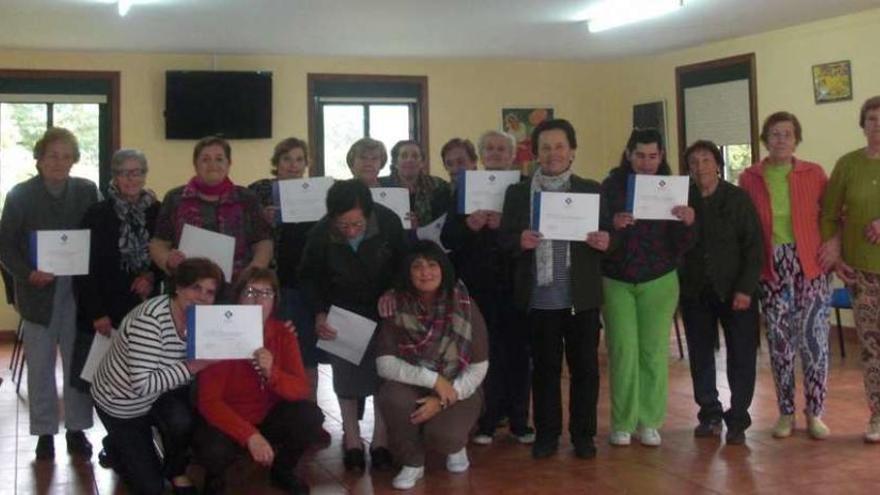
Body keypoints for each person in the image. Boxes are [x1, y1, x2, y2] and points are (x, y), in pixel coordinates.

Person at [500, 118, 611, 459]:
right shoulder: (518, 193)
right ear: (535, 153)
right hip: (539, 297)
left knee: (586, 371)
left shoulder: (590, 189)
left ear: (572, 151)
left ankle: (583, 436)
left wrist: (607, 240)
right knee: (545, 371)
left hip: (582, 297)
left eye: (560, 146)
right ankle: (547, 435)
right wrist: (519, 240)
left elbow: (611, 235)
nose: (553, 154)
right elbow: (504, 240)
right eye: (545, 148)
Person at [0, 127, 99, 460]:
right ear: (39, 159)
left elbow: (98, 233)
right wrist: (28, 273)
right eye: (53, 155)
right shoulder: (20, 195)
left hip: (77, 291)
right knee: (40, 366)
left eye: (67, 156)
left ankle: (76, 429)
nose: (60, 162)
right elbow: (5, 245)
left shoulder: (87, 191)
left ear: (74, 160)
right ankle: (44, 432)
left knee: (77, 363)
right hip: (37, 291)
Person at [298, 179, 408, 471]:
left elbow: (406, 263)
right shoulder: (321, 233)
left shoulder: (388, 222)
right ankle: (352, 438)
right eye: (343, 225)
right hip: (342, 310)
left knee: (384, 373)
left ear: (369, 214)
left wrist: (394, 290)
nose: (350, 231)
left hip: (384, 309)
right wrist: (320, 312)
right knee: (346, 378)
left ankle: (381, 440)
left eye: (356, 224)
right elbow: (309, 278)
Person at [90, 258, 223, 495]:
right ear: (179, 287)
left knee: (182, 421)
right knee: (151, 489)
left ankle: (174, 470)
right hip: (121, 404)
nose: (203, 297)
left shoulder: (202, 320)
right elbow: (143, 384)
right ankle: (116, 445)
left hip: (157, 394)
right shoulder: (151, 321)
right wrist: (194, 366)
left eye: (210, 292)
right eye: (195, 288)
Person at [740, 111, 832, 440]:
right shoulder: (749, 177)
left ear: (796, 140)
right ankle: (786, 413)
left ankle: (815, 412)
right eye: (775, 134)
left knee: (814, 343)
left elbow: (834, 215)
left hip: (809, 265)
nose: (781, 140)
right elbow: (746, 228)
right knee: (780, 344)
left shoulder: (814, 173)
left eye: (788, 134)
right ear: (766, 139)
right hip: (772, 267)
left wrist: (833, 245)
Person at [601, 128, 696, 448]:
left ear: (661, 157)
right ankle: (623, 422)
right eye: (639, 155)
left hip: (659, 278)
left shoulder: (673, 188)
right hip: (617, 279)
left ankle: (650, 421)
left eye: (652, 156)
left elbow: (682, 245)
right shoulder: (611, 186)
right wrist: (612, 225)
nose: (645, 162)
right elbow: (596, 232)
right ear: (628, 155)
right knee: (623, 351)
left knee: (653, 352)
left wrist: (687, 222)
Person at [195, 267, 324, 494]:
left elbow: (301, 389)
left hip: (268, 415)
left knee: (310, 416)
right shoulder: (217, 332)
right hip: (229, 419)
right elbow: (209, 402)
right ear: (237, 297)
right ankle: (215, 477)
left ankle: (282, 470)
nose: (258, 300)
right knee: (210, 448)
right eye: (251, 292)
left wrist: (272, 372)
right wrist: (250, 436)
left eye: (266, 294)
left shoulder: (283, 334)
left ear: (275, 301)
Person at [442, 131, 534, 446]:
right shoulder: (466, 188)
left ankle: (521, 421)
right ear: (481, 154)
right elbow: (449, 238)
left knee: (519, 353)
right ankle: (487, 420)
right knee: (484, 353)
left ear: (512, 155)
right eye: (490, 149)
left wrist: (506, 224)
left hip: (516, 281)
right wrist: (469, 225)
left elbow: (536, 232)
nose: (495, 153)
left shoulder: (525, 189)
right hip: (478, 285)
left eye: (501, 149)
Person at [71, 148, 162, 464]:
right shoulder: (96, 213)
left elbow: (167, 256)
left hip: (144, 311)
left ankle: (137, 441)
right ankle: (116, 440)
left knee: (140, 378)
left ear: (145, 174)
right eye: (125, 172)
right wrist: (96, 313)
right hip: (103, 313)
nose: (131, 178)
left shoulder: (157, 212)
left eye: (137, 172)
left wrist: (151, 274)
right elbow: (82, 268)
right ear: (114, 176)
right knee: (103, 381)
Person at [376, 240, 488, 490]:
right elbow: (384, 364)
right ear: (408, 272)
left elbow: (479, 367)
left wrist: (443, 397)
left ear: (443, 268)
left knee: (444, 437)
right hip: (416, 384)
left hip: (459, 386)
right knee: (392, 397)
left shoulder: (465, 305)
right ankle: (412, 462)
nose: (425, 272)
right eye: (417, 266)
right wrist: (434, 381)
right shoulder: (396, 304)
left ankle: (456, 447)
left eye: (432, 265)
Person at [679, 140, 763, 445]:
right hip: (695, 290)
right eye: (693, 162)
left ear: (717, 164)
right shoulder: (683, 199)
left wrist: (745, 288)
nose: (700, 167)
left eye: (705, 160)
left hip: (735, 290)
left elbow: (754, 247)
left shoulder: (737, 199)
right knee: (700, 354)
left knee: (741, 355)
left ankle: (738, 417)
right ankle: (709, 413)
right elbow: (675, 243)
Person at [820, 95, 880, 443]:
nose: (877, 125)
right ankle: (877, 416)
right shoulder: (848, 165)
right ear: (863, 125)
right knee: (872, 349)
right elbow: (829, 214)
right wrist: (835, 251)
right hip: (861, 273)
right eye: (871, 119)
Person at [247, 138, 321, 399]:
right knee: (273, 347)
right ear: (276, 163)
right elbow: (246, 231)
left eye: (299, 159)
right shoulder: (258, 190)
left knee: (306, 352)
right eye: (287, 159)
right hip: (272, 281)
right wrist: (263, 219)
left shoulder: (316, 191)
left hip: (305, 282)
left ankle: (309, 407)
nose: (293, 165)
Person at [150, 136, 272, 286]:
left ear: (229, 164)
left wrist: (254, 271)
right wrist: (168, 259)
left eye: (219, 159)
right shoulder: (175, 198)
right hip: (187, 287)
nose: (213, 164)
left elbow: (263, 242)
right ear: (195, 164)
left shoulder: (247, 198)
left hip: (236, 287)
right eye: (205, 159)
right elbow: (158, 243)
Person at [379, 140, 451, 228]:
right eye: (404, 156)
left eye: (415, 156)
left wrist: (419, 226)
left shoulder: (438, 185)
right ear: (395, 163)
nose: (410, 160)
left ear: (422, 163)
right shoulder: (381, 185)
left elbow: (442, 222)